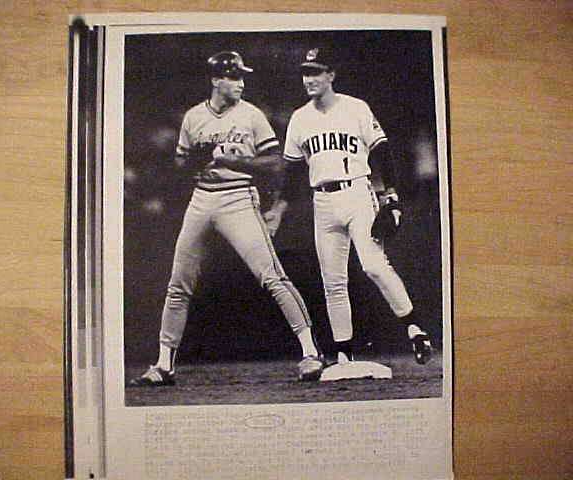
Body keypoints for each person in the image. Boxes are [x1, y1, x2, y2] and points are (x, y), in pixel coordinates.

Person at [130, 51, 324, 387]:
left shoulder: (251, 115)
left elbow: (276, 164)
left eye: (241, 77)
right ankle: (164, 365)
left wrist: (237, 164)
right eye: (234, 77)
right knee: (178, 282)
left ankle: (311, 353)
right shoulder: (193, 117)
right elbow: (180, 167)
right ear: (216, 79)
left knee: (272, 276)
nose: (241, 83)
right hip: (201, 198)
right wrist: (196, 159)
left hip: (238, 198)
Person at [281, 47, 432, 365]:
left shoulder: (355, 108)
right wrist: (280, 204)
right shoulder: (299, 118)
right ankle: (343, 354)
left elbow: (382, 151)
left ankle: (415, 329)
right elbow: (292, 169)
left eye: (316, 72)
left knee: (374, 265)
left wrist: (390, 195)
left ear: (331, 75)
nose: (309, 79)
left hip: (357, 193)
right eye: (306, 72)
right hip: (321, 200)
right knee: (333, 281)